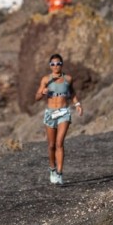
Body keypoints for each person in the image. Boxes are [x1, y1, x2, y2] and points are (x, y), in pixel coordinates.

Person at [34, 54, 83, 185]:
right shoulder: (46, 79)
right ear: (50, 66)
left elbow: (71, 93)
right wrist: (41, 93)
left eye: (58, 63)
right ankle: (52, 169)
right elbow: (37, 97)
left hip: (63, 113)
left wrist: (77, 104)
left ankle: (60, 174)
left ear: (62, 64)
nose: (56, 66)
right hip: (50, 113)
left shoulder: (68, 79)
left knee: (59, 143)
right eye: (53, 64)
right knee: (51, 145)